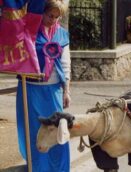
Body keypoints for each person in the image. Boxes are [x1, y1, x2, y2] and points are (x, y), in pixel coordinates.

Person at [16, 0, 71, 171]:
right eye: (49, 15)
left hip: (54, 89)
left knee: (58, 131)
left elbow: (66, 63)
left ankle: (60, 168)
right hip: (30, 89)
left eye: (56, 17)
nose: (52, 19)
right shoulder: (29, 31)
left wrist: (66, 91)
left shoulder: (62, 34)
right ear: (42, 13)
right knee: (34, 131)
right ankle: (37, 168)